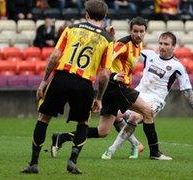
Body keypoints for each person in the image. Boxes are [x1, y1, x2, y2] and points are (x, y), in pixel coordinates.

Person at [21, 0, 113, 174]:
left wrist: (44, 80)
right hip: (84, 83)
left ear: (86, 14)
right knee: (83, 122)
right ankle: (72, 161)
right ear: (105, 17)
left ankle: (34, 163)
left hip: (61, 78)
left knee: (43, 118)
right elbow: (104, 74)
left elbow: (55, 56)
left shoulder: (71, 29)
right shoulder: (108, 40)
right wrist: (99, 98)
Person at [51, 17, 153, 159]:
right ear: (131, 30)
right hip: (117, 86)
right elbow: (105, 59)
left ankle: (61, 137)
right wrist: (114, 75)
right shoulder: (123, 44)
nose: (138, 34)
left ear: (145, 32)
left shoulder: (138, 46)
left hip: (111, 90)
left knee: (102, 131)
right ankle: (154, 152)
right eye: (135, 31)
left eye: (142, 31)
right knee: (148, 111)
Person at [102, 32, 193, 160]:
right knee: (116, 115)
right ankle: (136, 144)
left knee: (134, 117)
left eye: (166, 44)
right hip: (138, 94)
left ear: (173, 47)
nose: (162, 47)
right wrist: (113, 38)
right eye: (160, 43)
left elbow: (187, 90)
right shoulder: (149, 55)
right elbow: (129, 49)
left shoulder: (177, 67)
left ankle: (111, 149)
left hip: (155, 100)